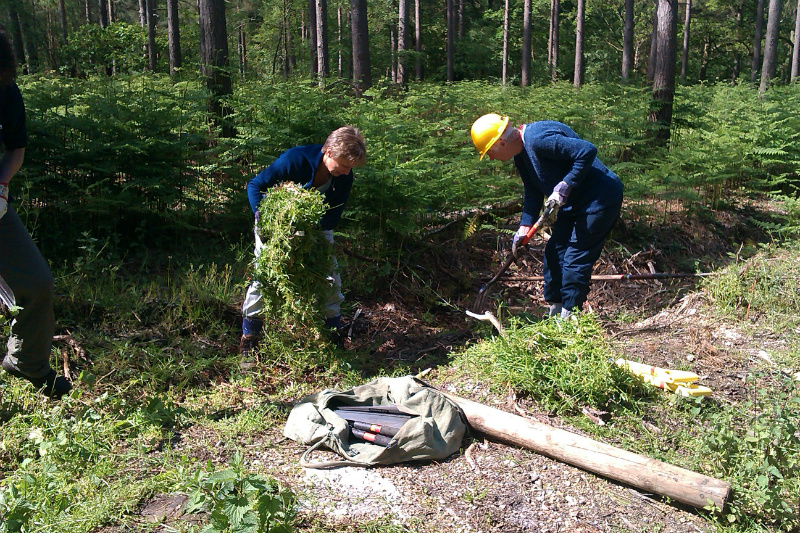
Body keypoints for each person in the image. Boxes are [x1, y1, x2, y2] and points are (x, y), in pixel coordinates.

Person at [470, 113, 623, 319]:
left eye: (489, 151)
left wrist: (565, 184)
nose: (490, 157)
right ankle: (556, 311)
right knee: (554, 254)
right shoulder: (521, 156)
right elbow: (533, 192)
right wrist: (524, 226)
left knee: (574, 259)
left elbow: (587, 150)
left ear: (502, 142)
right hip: (574, 204)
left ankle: (570, 319)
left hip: (599, 199)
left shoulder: (538, 138)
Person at [240, 126, 366, 359]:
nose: (347, 171)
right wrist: (265, 221)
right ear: (328, 152)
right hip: (274, 225)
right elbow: (255, 186)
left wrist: (307, 235)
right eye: (344, 165)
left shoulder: (344, 178)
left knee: (330, 276)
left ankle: (332, 340)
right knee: (264, 276)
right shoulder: (295, 160)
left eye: (351, 167)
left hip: (314, 228)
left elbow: (332, 217)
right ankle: (250, 340)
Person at [0, 26, 71, 399]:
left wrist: (1, 185)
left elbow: (15, 150)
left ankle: (26, 363)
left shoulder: (7, 92)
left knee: (36, 280)